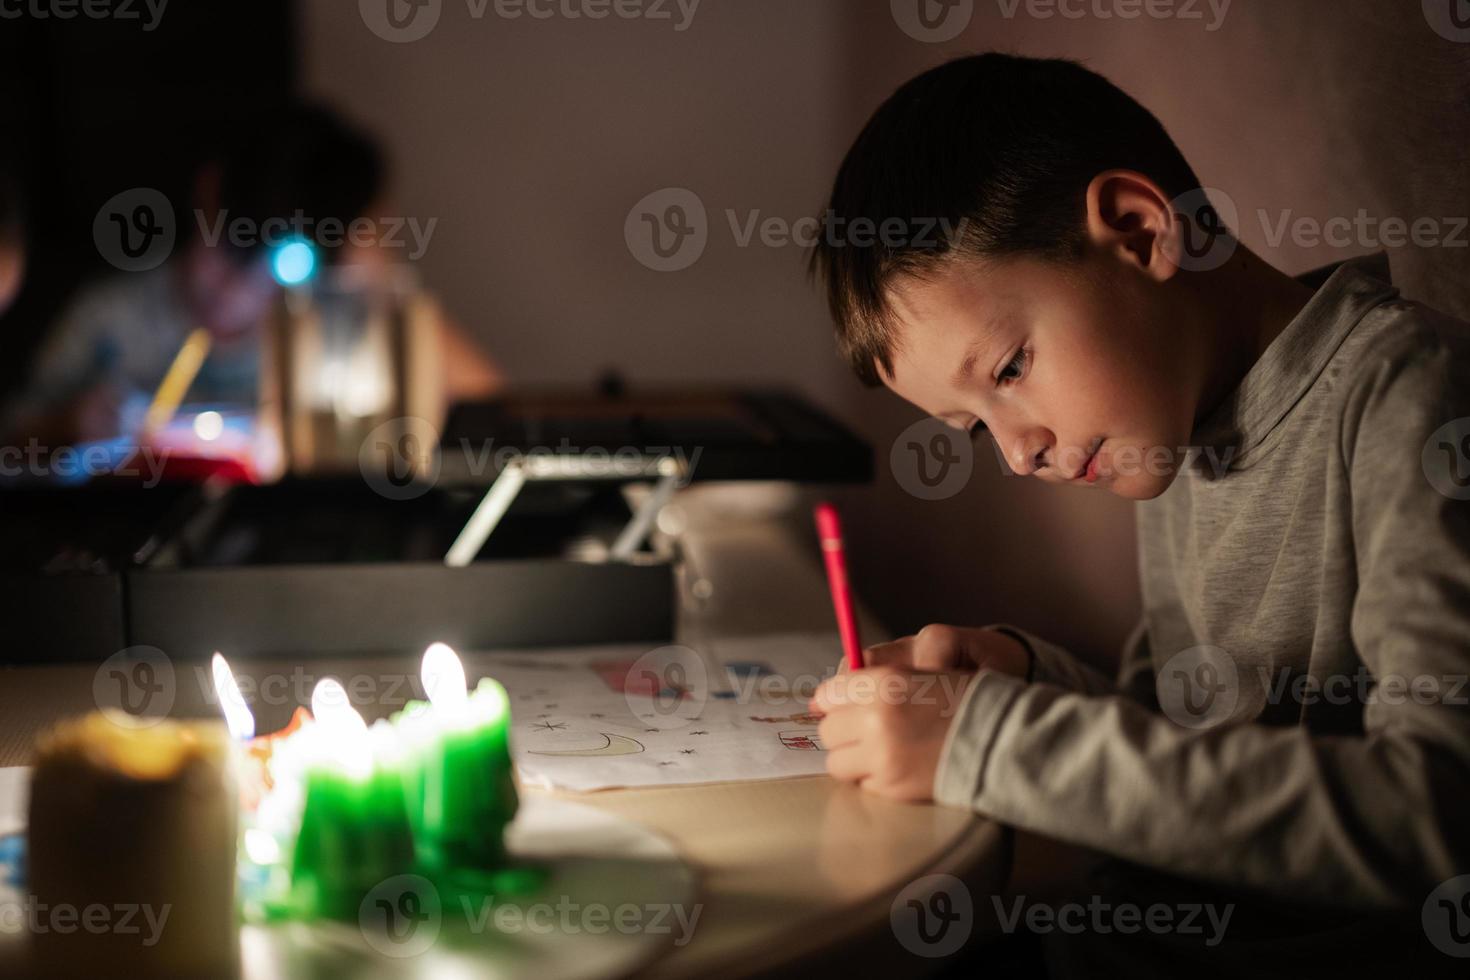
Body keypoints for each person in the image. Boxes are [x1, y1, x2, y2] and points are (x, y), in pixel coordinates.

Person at [807, 54, 1470, 975]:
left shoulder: (1411, 397)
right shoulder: (1171, 421)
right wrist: (1024, 678)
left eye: (1006, 372)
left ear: (1139, 230)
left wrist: (994, 743)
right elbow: (1185, 755)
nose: (1017, 451)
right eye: (971, 430)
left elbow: (1437, 814)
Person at [2, 102, 500, 450]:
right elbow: (13, 435)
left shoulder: (325, 320)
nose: (237, 288)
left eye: (275, 265)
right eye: (234, 246)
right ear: (209, 193)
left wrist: (381, 274)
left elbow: (491, 407)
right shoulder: (111, 317)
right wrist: (65, 425)